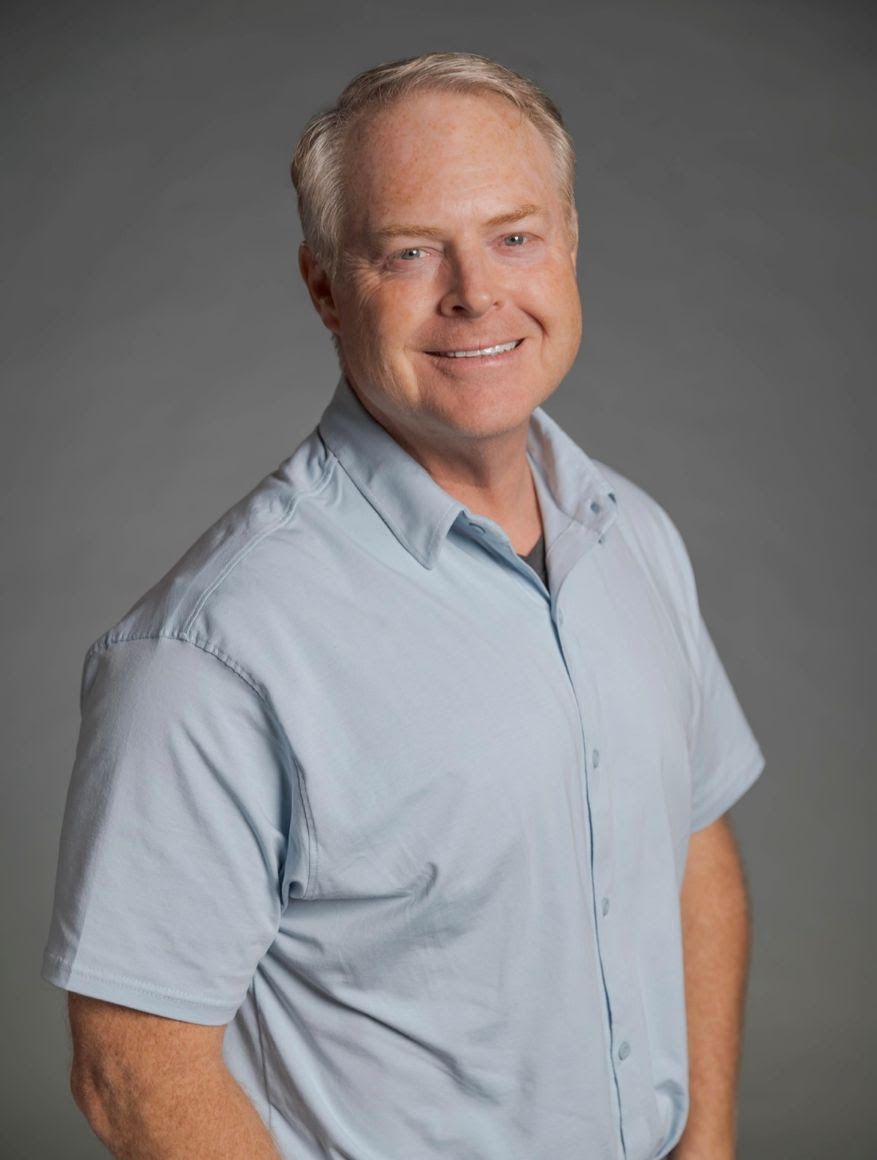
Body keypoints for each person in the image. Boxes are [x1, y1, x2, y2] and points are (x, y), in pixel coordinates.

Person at [42, 52, 765, 1160]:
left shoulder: (632, 537)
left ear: (569, 245)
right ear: (325, 286)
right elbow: (133, 1068)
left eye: (514, 236)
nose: (474, 292)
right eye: (410, 251)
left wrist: (704, 1143)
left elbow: (692, 845)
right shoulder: (211, 651)